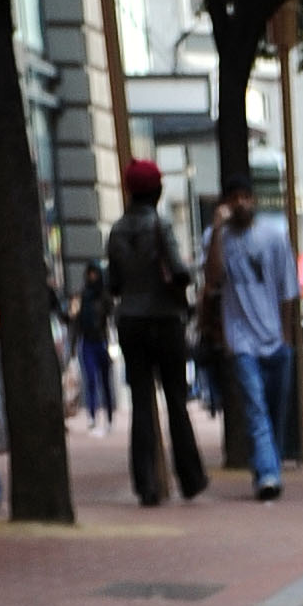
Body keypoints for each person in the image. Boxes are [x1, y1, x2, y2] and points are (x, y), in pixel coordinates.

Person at [107, 159, 207, 508]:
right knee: (176, 400)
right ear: (157, 191)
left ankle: (146, 484)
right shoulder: (160, 226)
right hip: (165, 320)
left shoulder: (117, 230)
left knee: (141, 404)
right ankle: (190, 478)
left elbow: (113, 283)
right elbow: (179, 271)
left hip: (130, 322)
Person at [216, 167, 298, 498]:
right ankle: (267, 475)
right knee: (256, 409)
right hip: (242, 340)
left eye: (245, 197)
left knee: (274, 413)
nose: (240, 204)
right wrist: (215, 229)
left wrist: (287, 337)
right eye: (233, 199)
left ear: (254, 200)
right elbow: (210, 280)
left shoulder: (274, 238)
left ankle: (268, 465)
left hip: (274, 339)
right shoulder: (218, 239)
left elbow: (288, 292)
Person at [72, 260, 114, 431]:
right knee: (91, 379)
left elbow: (109, 315)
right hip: (88, 341)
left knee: (105, 381)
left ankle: (109, 416)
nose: (92, 277)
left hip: (101, 340)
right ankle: (92, 415)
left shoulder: (104, 296)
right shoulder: (83, 296)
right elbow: (77, 321)